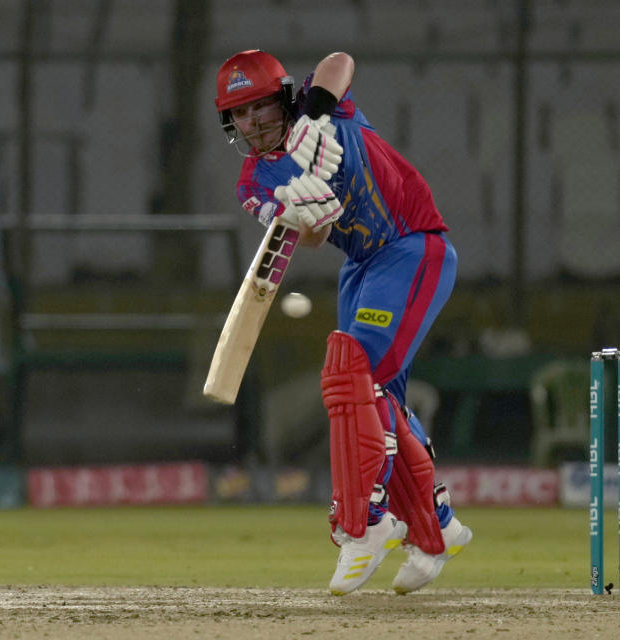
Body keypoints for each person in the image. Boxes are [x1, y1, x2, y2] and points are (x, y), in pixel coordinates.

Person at [214, 50, 471, 595]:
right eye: (238, 113)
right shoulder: (254, 180)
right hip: (361, 268)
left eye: (261, 105)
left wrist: (315, 113)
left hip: (411, 245)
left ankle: (365, 523)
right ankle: (434, 529)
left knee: (349, 370)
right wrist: (301, 214)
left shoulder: (321, 105)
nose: (252, 121)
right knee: (380, 400)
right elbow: (306, 235)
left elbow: (340, 60)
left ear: (283, 97)